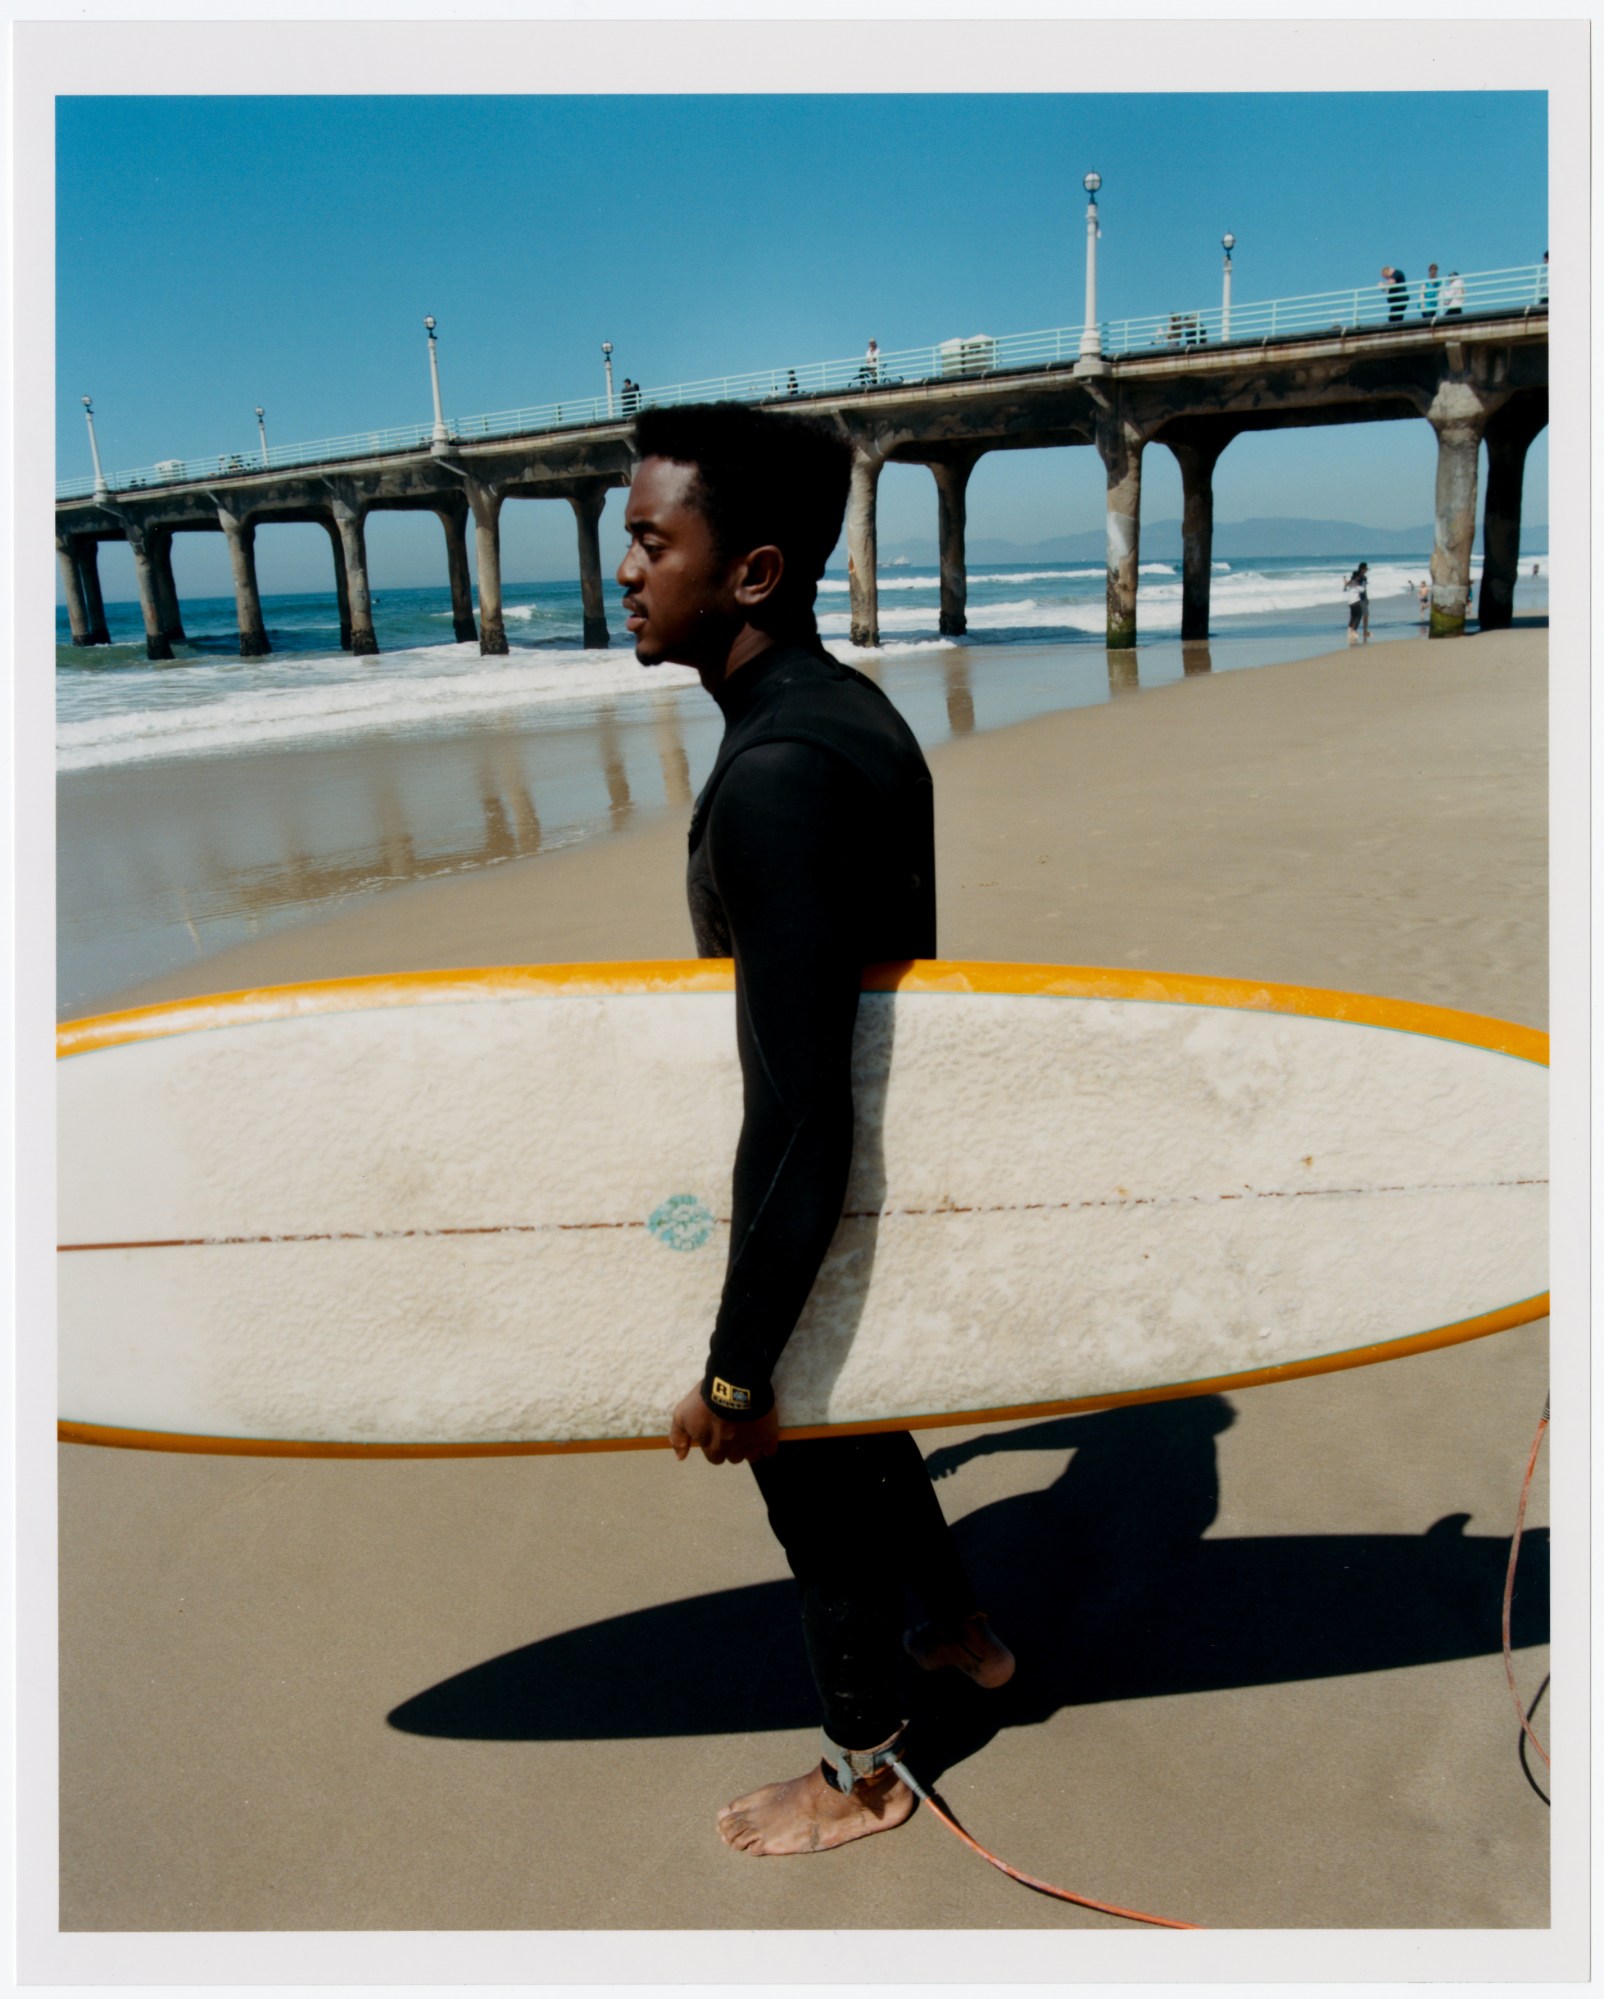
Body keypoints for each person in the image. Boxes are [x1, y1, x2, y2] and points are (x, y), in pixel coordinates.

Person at [616, 401, 1013, 1858]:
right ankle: (962, 1634)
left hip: (820, 1180)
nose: (627, 568)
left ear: (755, 570)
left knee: (810, 1470)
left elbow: (798, 1099)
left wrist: (737, 1360)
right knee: (871, 1407)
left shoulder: (778, 778)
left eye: (655, 541)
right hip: (867, 1175)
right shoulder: (844, 712)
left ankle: (861, 1771)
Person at [1343, 561, 1369, 645]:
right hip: (1356, 600)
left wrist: (1346, 583)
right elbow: (1362, 589)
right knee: (1359, 616)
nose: (1366, 570)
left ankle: (1351, 632)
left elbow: (1347, 586)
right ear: (1362, 569)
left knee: (1354, 616)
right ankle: (1354, 632)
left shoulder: (1355, 580)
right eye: (1365, 568)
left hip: (1352, 601)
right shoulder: (1359, 579)